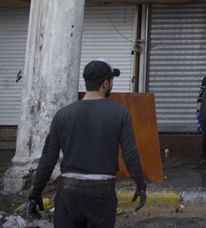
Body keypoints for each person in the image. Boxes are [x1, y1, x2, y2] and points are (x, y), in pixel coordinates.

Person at [26, 60, 146, 226]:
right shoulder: (120, 114)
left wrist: (35, 192)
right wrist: (140, 185)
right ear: (105, 83)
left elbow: (48, 158)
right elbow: (130, 154)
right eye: (112, 80)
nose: (112, 84)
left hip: (68, 192)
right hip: (102, 193)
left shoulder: (62, 115)